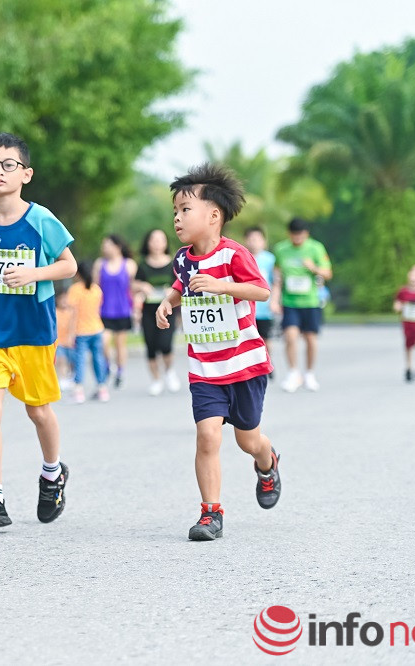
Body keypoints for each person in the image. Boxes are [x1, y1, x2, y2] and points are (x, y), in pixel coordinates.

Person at [155, 163, 280, 541]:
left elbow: (261, 291)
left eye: (185, 210)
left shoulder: (234, 255)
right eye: (175, 211)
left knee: (248, 441)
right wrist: (168, 302)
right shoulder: (182, 258)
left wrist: (223, 285)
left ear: (213, 216)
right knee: (208, 436)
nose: (177, 218)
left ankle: (268, 463)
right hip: (205, 367)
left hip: (244, 365)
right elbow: (182, 286)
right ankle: (211, 514)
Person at [0, 132, 76, 530]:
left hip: (33, 332)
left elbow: (69, 264)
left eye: (8, 165)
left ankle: (52, 472)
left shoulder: (40, 218)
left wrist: (34, 273)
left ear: (25, 174)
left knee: (38, 411)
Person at [272, 218, 332, 392]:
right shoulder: (281, 249)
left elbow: (328, 273)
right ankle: (293, 373)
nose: (297, 238)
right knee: (290, 336)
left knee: (310, 338)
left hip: (311, 301)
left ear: (306, 234)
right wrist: (275, 298)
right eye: (294, 235)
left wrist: (313, 268)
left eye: (300, 235)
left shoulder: (316, 248)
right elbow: (277, 274)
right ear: (289, 234)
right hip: (290, 301)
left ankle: (309, 373)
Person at [134, 228, 181, 395]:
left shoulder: (173, 264)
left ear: (166, 243)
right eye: (153, 240)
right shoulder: (142, 265)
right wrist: (142, 286)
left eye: (160, 240)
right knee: (151, 346)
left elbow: (181, 284)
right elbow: (134, 285)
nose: (157, 243)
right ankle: (156, 380)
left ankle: (169, 372)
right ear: (148, 243)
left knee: (165, 344)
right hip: (148, 310)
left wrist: (172, 291)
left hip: (168, 309)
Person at [94, 234, 137, 388]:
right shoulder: (100, 264)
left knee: (120, 345)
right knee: (103, 341)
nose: (104, 248)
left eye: (107, 244)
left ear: (117, 246)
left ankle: (120, 371)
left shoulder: (129, 264)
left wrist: (136, 309)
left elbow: (132, 288)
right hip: (104, 310)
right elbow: (94, 287)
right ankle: (108, 366)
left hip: (123, 310)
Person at [66, 262, 109, 403]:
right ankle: (102, 388)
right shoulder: (96, 289)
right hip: (97, 328)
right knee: (98, 359)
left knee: (79, 360)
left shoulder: (75, 290)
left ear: (78, 274)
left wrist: (70, 333)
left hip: (81, 331)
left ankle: (78, 390)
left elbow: (73, 314)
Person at [243, 226, 277, 366]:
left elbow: (276, 282)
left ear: (264, 241)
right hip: (246, 307)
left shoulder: (270, 260)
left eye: (257, 239)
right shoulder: (242, 257)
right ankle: (252, 365)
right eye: (251, 239)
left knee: (265, 338)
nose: (254, 242)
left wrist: (274, 301)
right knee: (248, 339)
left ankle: (267, 363)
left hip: (264, 308)